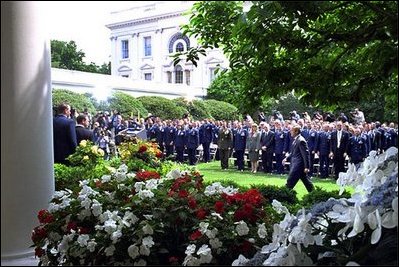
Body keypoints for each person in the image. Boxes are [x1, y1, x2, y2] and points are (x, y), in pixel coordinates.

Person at [283, 125, 314, 193]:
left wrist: (307, 167)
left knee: (290, 182)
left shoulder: (301, 140)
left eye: (291, 130)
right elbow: (293, 152)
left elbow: (306, 155)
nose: (290, 132)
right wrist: (286, 158)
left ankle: (283, 195)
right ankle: (315, 194)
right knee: (307, 182)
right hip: (296, 165)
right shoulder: (296, 140)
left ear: (296, 131)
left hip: (298, 166)